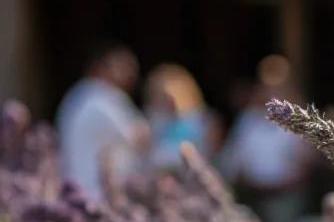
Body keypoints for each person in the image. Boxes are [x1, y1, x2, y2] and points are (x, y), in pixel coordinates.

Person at [220, 55, 315, 222]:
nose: (272, 92)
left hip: (286, 197)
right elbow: (234, 157)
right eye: (268, 85)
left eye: (278, 85)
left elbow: (308, 160)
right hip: (253, 197)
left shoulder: (300, 119)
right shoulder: (249, 119)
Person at [56, 43, 148, 196]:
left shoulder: (78, 94)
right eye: (122, 67)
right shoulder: (99, 98)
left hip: (81, 188)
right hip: (96, 192)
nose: (131, 74)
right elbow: (138, 137)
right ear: (101, 68)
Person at [144, 64, 215, 172]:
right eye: (162, 95)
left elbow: (205, 152)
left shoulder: (201, 119)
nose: (168, 101)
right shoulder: (153, 119)